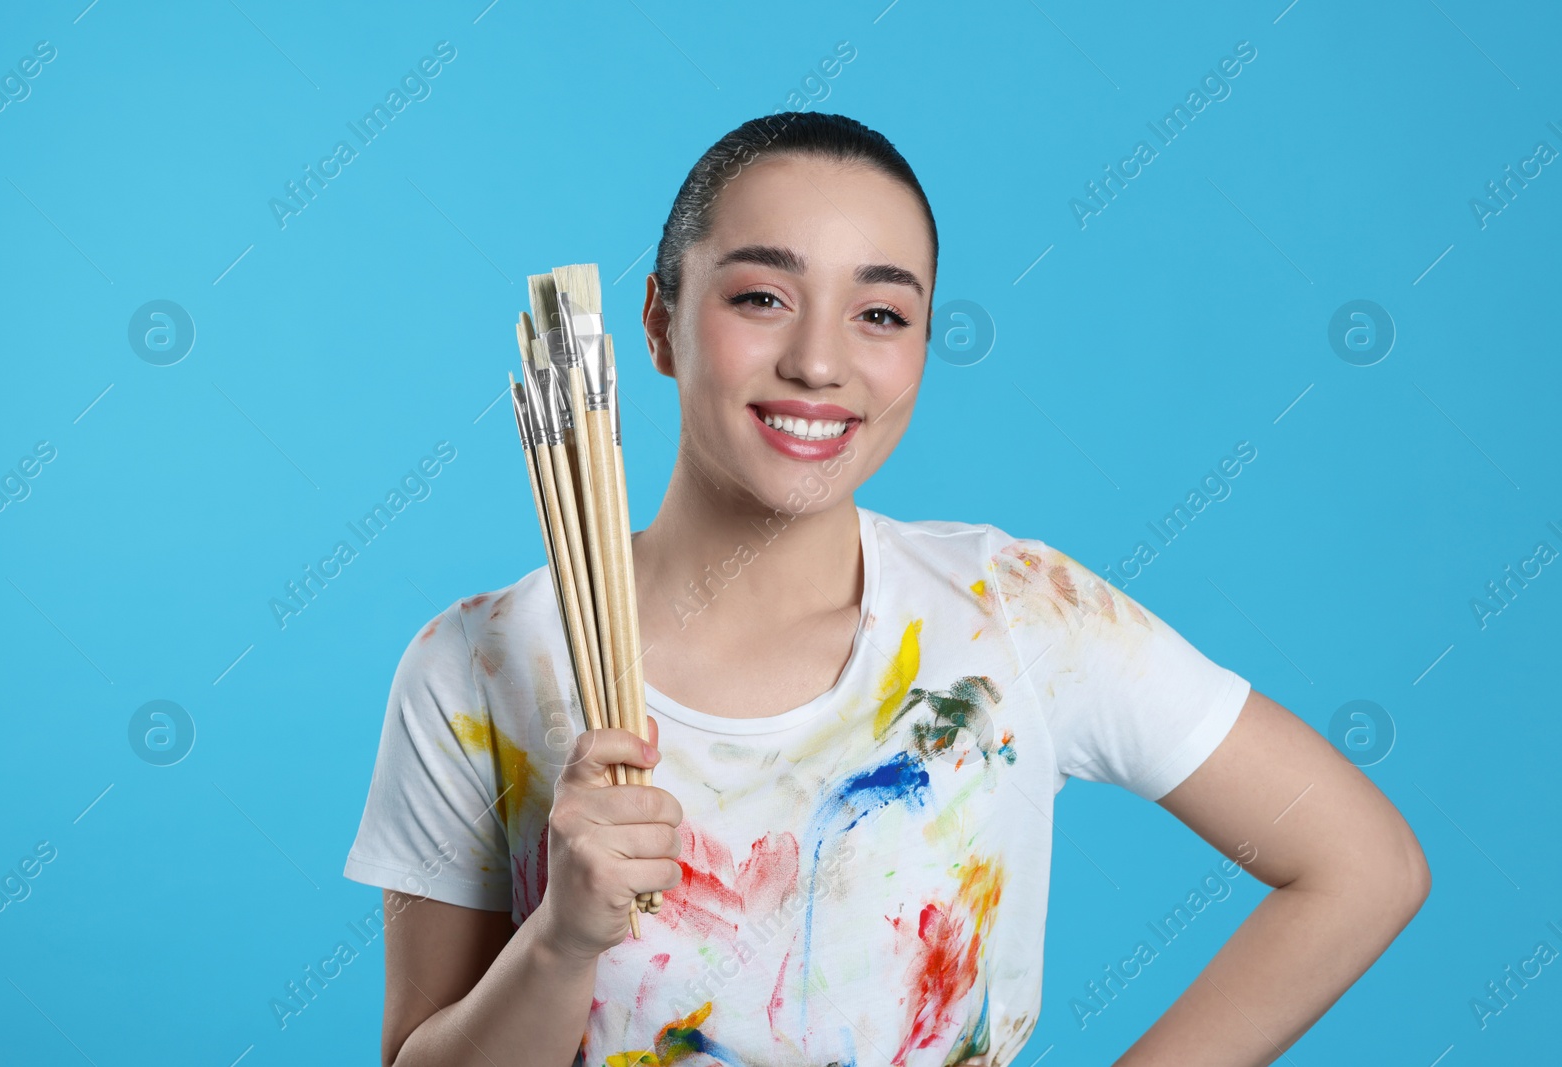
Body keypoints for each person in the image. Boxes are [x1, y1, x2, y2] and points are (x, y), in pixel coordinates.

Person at [343, 112, 1430, 1067]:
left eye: (880, 314)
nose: (820, 362)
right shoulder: (475, 662)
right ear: (661, 321)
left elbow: (1360, 864)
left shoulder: (1014, 614)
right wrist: (561, 938)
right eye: (762, 295)